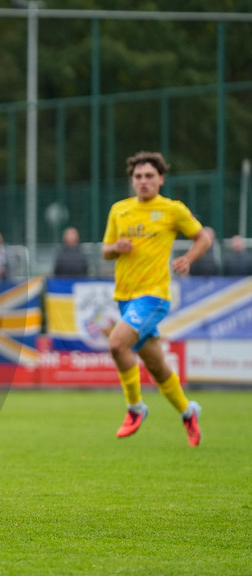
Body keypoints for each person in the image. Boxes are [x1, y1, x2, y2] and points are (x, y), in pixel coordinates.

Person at [102, 151, 211, 447]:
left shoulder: (172, 210)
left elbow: (204, 238)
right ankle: (188, 412)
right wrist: (116, 247)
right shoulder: (119, 210)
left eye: (149, 176)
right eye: (138, 177)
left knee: (116, 343)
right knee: (157, 366)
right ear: (132, 181)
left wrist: (188, 258)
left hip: (153, 297)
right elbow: (105, 250)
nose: (143, 181)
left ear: (161, 179)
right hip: (125, 297)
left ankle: (135, 408)